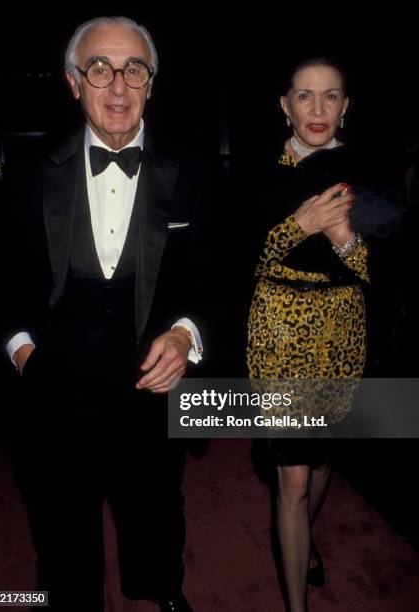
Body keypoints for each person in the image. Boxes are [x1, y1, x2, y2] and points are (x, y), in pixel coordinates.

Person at [1, 16, 216, 612]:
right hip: (56, 382)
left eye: (134, 70)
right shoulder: (28, 171)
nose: (118, 87)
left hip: (151, 384)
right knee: (62, 525)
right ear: (74, 82)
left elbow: (215, 275)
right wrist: (23, 352)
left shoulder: (193, 168)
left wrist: (186, 335)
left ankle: (161, 588)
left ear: (151, 82)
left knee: (155, 508)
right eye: (100, 69)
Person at [245, 56, 404, 612]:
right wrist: (299, 227)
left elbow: (388, 280)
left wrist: (342, 240)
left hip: (343, 335)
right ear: (284, 104)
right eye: (305, 96)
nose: (317, 109)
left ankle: (304, 538)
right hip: (278, 332)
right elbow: (234, 266)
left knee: (323, 461)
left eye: (331, 96)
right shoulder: (254, 173)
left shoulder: (373, 176)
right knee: (291, 478)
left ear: (346, 107)